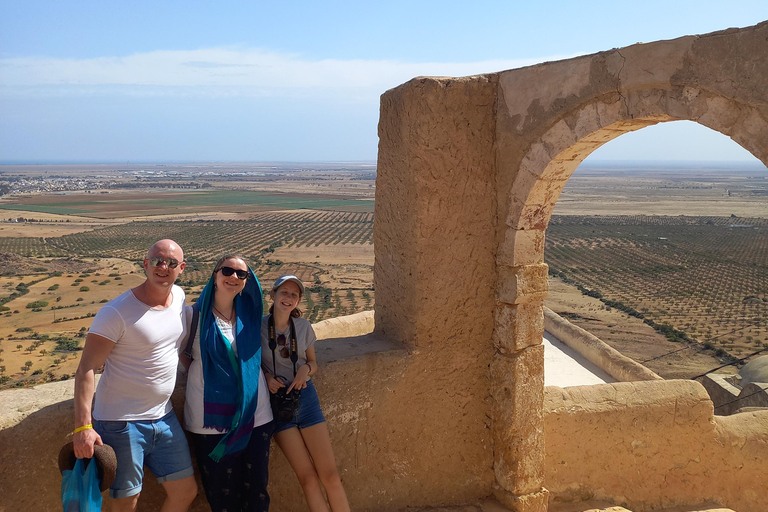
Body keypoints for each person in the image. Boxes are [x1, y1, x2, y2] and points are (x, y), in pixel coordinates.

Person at [73, 239, 197, 512]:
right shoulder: (116, 312)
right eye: (157, 261)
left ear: (182, 268)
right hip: (121, 423)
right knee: (127, 503)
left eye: (171, 263)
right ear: (145, 264)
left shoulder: (179, 298)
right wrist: (83, 427)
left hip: (164, 418)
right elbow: (86, 369)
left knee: (185, 491)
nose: (163, 267)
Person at [181, 254, 273, 512]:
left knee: (257, 493)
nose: (234, 277)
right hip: (210, 423)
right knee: (223, 499)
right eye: (227, 271)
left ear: (247, 281)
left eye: (241, 274)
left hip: (257, 416)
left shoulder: (251, 316)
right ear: (215, 275)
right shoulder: (192, 316)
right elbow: (179, 355)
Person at [262, 275, 350, 512]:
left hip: (306, 399)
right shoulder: (258, 327)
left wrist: (305, 369)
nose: (288, 298)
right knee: (308, 479)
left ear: (299, 300)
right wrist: (268, 378)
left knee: (330, 475)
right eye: (284, 292)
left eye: (294, 294)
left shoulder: (303, 327)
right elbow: (252, 363)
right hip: (279, 406)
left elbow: (313, 362)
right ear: (273, 295)